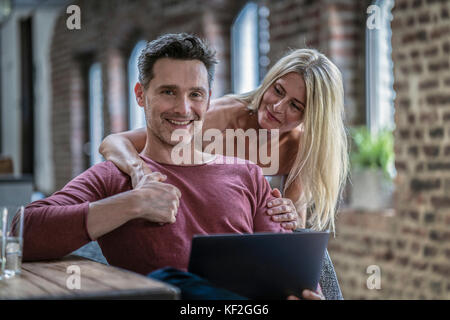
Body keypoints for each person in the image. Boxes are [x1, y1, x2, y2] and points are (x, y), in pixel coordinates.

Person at [20, 33, 323, 299]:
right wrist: (131, 204)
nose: (183, 108)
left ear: (207, 100)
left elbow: (288, 274)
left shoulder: (248, 175)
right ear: (141, 95)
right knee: (167, 282)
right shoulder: (113, 177)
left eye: (195, 95)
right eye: (168, 92)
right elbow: (22, 232)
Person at [99, 46, 349, 233]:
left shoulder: (300, 147)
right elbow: (113, 142)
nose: (278, 106)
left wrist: (289, 215)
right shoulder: (217, 117)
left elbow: (294, 223)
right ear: (270, 81)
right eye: (278, 90)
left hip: (243, 235)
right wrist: (139, 172)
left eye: (295, 105)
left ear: (311, 116)